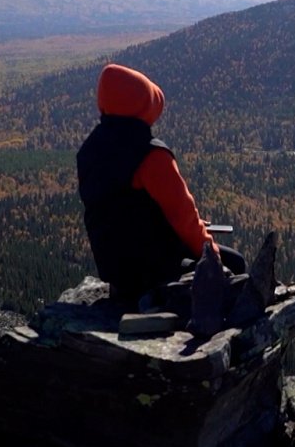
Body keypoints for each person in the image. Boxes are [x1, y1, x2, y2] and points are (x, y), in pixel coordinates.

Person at [76, 63, 248, 307]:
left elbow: (121, 210)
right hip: (154, 268)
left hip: (114, 268)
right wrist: (211, 252)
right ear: (144, 105)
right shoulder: (151, 155)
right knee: (236, 264)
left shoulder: (89, 150)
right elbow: (184, 215)